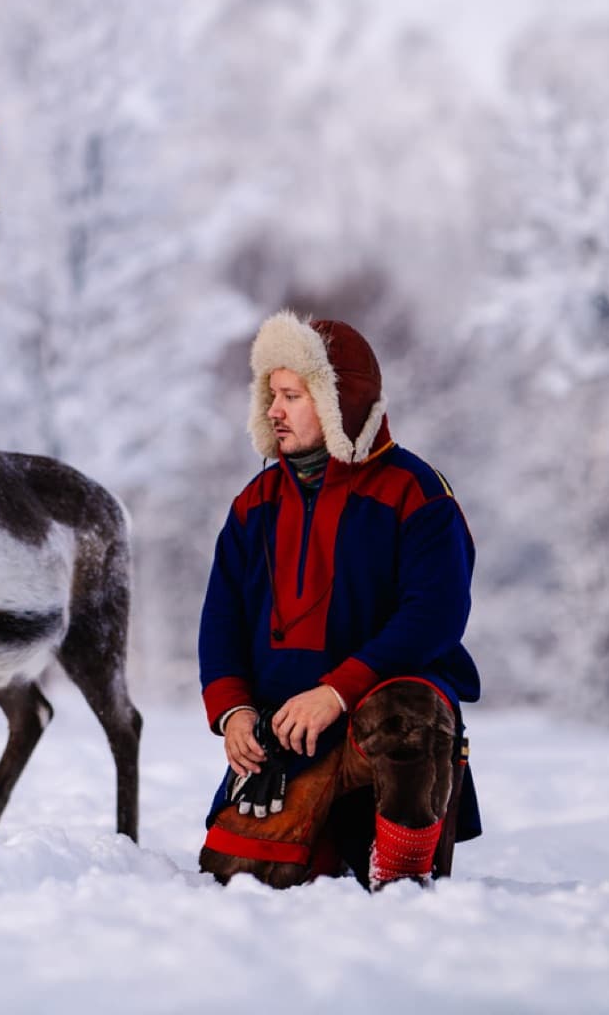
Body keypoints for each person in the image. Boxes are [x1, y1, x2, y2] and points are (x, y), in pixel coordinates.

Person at [196, 310, 480, 889]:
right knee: (240, 878)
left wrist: (335, 692)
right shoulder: (254, 504)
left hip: (383, 725)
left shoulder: (415, 491)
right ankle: (320, 841)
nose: (273, 410)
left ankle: (402, 874)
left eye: (292, 395)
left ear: (338, 402)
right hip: (287, 734)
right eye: (270, 395)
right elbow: (221, 616)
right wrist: (234, 711)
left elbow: (435, 615)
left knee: (410, 712)